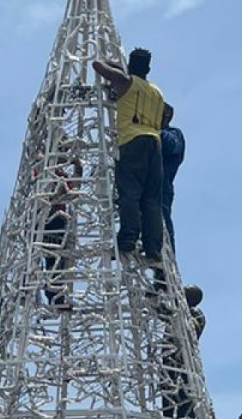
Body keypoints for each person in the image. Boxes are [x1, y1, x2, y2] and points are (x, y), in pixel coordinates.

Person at [91, 47, 165, 264]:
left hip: (132, 142)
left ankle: (128, 239)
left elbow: (97, 65)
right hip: (155, 144)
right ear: (148, 69)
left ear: (130, 66)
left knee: (130, 193)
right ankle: (153, 248)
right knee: (152, 200)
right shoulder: (157, 92)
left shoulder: (126, 81)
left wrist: (118, 66)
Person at [160, 285, 206, 419]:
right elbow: (163, 314)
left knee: (184, 400)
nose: (179, 295)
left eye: (184, 294)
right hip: (169, 365)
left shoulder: (196, 315)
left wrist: (174, 312)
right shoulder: (177, 312)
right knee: (169, 401)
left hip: (183, 365)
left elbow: (188, 332)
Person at [41, 149, 82, 309]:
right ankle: (52, 296)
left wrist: (78, 169)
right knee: (49, 259)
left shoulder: (61, 175)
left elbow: (73, 192)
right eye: (62, 151)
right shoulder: (44, 169)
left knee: (57, 260)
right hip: (44, 221)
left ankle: (56, 297)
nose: (64, 155)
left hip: (57, 221)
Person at [161, 105, 185, 255]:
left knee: (162, 222)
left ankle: (166, 255)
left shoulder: (173, 134)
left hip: (160, 188)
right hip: (139, 185)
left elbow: (172, 146)